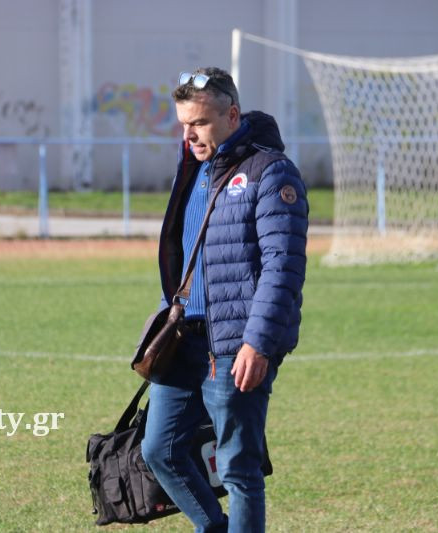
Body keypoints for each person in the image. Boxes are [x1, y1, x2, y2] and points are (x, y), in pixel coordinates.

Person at [140, 67, 308, 532]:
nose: (189, 135)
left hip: (236, 343)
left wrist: (258, 343)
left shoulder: (270, 172)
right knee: (159, 449)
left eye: (199, 123)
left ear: (232, 115)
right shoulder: (194, 167)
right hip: (183, 340)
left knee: (238, 468)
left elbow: (283, 267)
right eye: (183, 124)